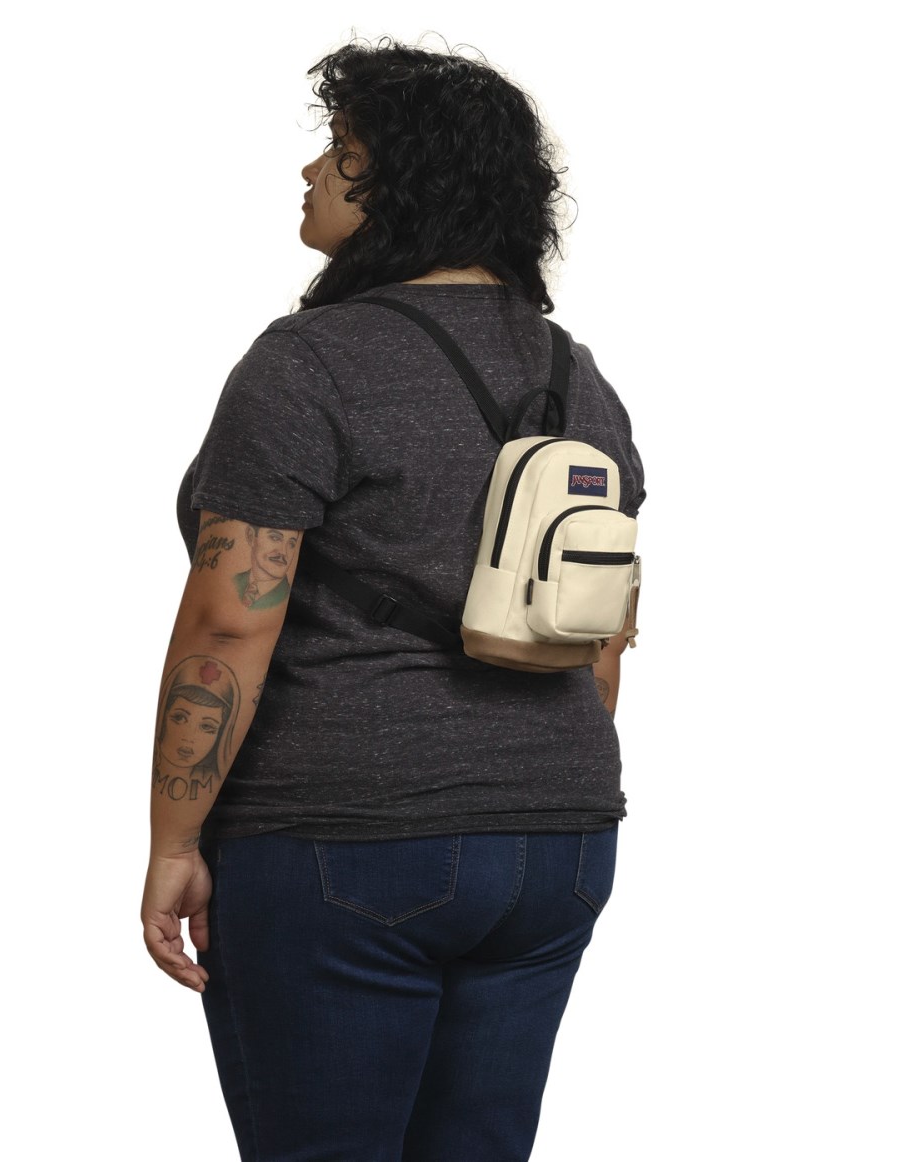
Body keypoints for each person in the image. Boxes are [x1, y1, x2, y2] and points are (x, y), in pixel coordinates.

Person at [141, 35, 646, 1162]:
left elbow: (231, 617)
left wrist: (173, 839)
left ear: (405, 180)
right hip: (558, 840)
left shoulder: (310, 362)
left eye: (342, 150)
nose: (312, 171)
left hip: (343, 838)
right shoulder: (575, 374)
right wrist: (517, 778)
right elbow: (605, 628)